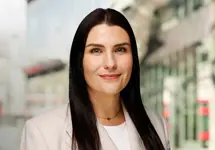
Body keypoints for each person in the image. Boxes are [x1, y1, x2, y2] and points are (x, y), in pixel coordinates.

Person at [20, 8, 171, 150]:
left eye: (120, 50)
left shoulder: (157, 125)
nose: (110, 63)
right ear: (80, 61)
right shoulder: (42, 133)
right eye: (96, 51)